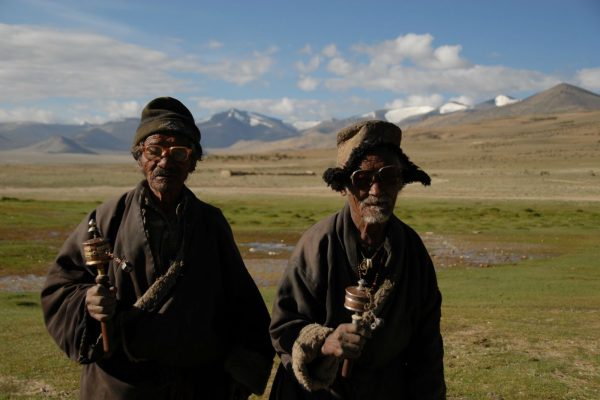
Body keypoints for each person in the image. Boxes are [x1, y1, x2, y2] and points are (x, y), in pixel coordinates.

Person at [41, 97, 274, 399]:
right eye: (155, 150)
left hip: (197, 385)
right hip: (119, 387)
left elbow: (243, 305)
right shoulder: (106, 219)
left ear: (192, 162)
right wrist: (88, 302)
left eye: (179, 152)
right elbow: (60, 287)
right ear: (140, 157)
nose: (166, 161)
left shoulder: (211, 223)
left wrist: (237, 380)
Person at [269, 120, 446, 399]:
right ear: (344, 187)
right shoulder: (317, 245)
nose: (376, 191)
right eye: (363, 180)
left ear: (401, 181)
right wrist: (325, 341)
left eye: (388, 177)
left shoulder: (412, 251)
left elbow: (428, 347)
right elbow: (284, 327)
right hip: (319, 392)